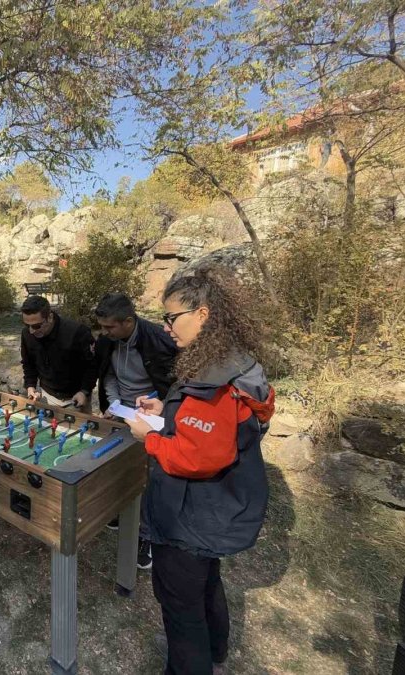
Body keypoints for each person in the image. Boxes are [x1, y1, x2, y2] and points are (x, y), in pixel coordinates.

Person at [124, 266, 275, 675]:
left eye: (172, 318)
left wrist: (149, 439)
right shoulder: (232, 363)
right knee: (207, 582)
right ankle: (217, 649)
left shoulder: (213, 381)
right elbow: (207, 429)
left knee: (180, 606)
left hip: (192, 515)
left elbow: (197, 457)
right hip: (216, 510)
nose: (167, 327)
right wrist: (165, 411)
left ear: (203, 315)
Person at [94, 292, 178, 568]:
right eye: (102, 327)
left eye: (110, 327)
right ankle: (120, 512)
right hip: (120, 411)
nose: (104, 333)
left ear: (129, 322)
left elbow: (176, 383)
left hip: (152, 415)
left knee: (149, 477)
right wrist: (115, 401)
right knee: (117, 465)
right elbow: (107, 375)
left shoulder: (160, 340)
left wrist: (161, 405)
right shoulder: (109, 341)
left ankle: (146, 535)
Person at [20, 295, 96, 411]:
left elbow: (92, 366)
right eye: (27, 325)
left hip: (76, 398)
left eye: (36, 326)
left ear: (49, 317)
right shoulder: (27, 334)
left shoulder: (77, 332)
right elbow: (28, 362)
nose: (31, 331)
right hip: (47, 395)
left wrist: (84, 391)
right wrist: (30, 386)